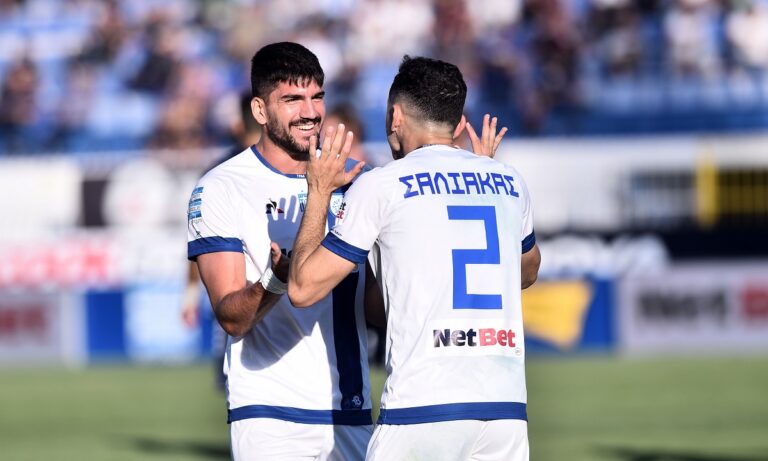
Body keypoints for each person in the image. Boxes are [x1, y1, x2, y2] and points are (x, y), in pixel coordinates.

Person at [288, 56, 541, 461]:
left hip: (422, 408)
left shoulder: (381, 185)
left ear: (395, 117)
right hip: (505, 412)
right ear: (458, 123)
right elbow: (526, 271)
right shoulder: (508, 181)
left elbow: (303, 289)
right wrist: (483, 178)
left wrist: (318, 191)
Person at [186, 42, 371, 461]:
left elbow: (379, 306)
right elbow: (232, 317)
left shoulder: (359, 183)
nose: (310, 112)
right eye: (292, 100)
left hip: (351, 411)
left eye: (317, 97)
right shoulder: (222, 187)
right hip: (269, 417)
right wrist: (278, 279)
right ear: (259, 110)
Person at [182, 92, 263, 390]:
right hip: (279, 288)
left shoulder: (215, 175)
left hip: (235, 294)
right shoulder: (291, 166)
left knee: (235, 383)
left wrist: (191, 294)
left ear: (237, 125)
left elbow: (200, 240)